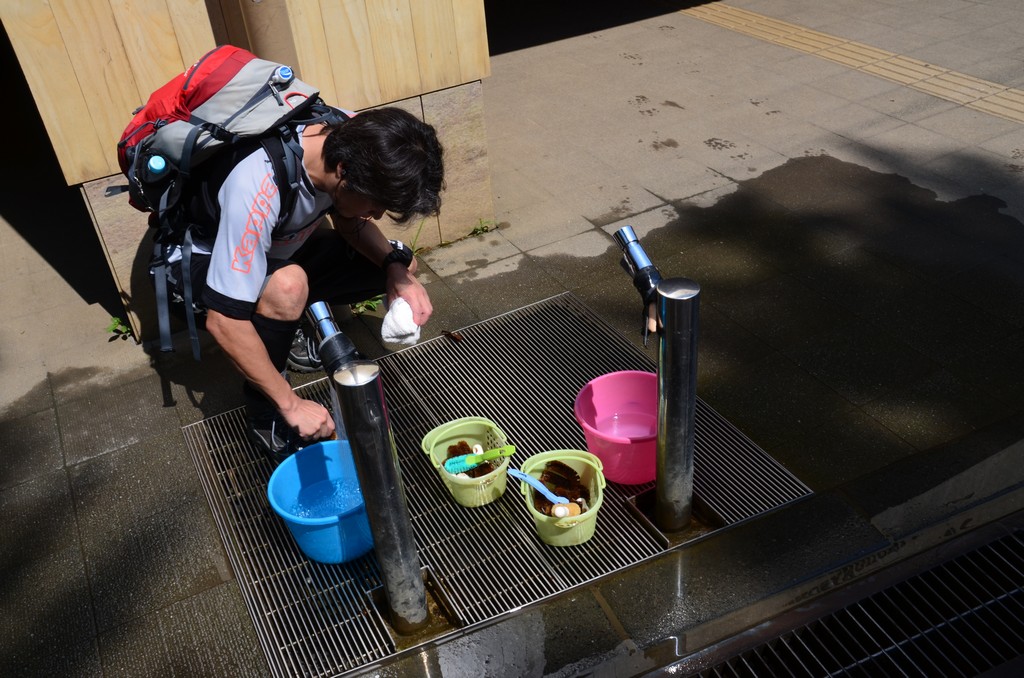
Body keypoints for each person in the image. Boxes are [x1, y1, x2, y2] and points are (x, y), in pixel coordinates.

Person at [163, 107, 444, 463]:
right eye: (376, 204)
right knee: (288, 287)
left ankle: (284, 326)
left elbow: (350, 223)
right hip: (201, 265)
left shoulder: (351, 134)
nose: (375, 216)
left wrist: (396, 272)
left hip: (279, 248)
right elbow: (224, 321)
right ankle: (265, 411)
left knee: (401, 259)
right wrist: (291, 404)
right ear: (343, 173)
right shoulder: (257, 185)